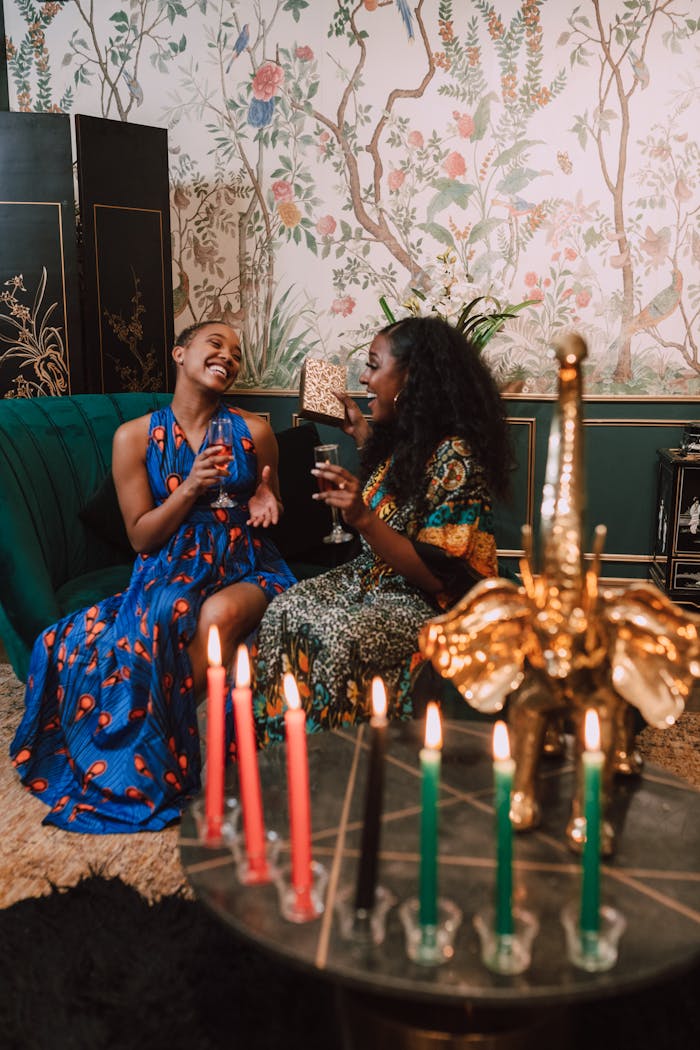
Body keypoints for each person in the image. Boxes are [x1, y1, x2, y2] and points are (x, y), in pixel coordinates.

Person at [11, 321, 296, 832]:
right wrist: (188, 489)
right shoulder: (134, 437)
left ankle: (178, 761)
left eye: (236, 353)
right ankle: (151, 759)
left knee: (217, 613)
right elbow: (142, 537)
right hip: (169, 564)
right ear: (180, 353)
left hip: (246, 562)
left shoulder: (255, 430)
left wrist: (266, 498)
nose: (228, 357)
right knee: (161, 616)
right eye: (216, 345)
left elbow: (270, 495)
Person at [251, 315, 511, 744]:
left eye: (373, 365)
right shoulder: (405, 440)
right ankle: (282, 759)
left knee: (338, 635)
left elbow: (442, 574)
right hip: (369, 579)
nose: (364, 378)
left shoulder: (455, 457)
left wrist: (363, 520)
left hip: (430, 600)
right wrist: (361, 435)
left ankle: (341, 767)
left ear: (410, 378)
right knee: (284, 610)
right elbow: (395, 493)